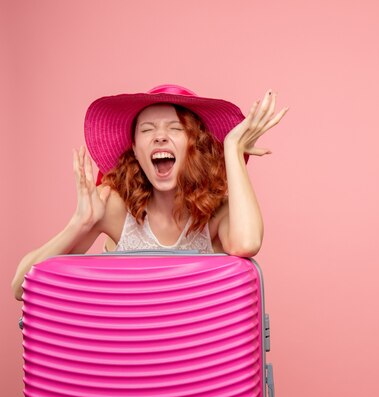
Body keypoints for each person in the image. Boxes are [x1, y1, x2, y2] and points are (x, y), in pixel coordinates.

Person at [11, 84, 288, 301]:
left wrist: (232, 149)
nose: (159, 136)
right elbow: (22, 286)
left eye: (175, 128)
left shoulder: (217, 212)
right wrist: (80, 223)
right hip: (126, 362)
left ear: (195, 143)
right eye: (147, 129)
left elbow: (247, 243)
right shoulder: (115, 206)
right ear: (134, 147)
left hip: (196, 364)